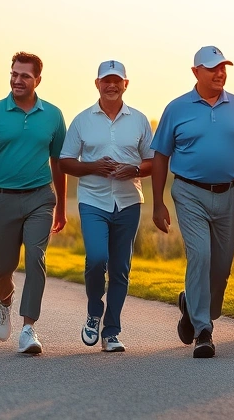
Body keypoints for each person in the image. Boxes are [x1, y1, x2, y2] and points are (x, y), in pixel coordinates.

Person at [151, 45, 234, 358]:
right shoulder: (177, 108)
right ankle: (204, 331)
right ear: (196, 72)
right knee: (200, 256)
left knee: (221, 268)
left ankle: (194, 306)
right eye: (212, 68)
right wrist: (158, 203)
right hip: (189, 192)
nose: (220, 73)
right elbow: (160, 157)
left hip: (229, 194)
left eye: (223, 67)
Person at [0, 51, 67, 355]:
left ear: (38, 79)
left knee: (36, 257)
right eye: (14, 74)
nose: (17, 80)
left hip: (40, 197)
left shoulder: (52, 115)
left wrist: (61, 205)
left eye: (24, 75)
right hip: (1, 199)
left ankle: (28, 329)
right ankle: (5, 299)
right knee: (4, 267)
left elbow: (59, 163)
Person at [59, 60, 154, 353]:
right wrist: (92, 167)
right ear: (97, 83)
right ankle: (93, 312)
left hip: (128, 202)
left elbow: (153, 161)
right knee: (97, 258)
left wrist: (135, 170)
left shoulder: (139, 120)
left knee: (120, 268)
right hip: (93, 201)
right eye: (106, 80)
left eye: (117, 81)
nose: (111, 85)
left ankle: (111, 331)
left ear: (126, 83)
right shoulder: (82, 120)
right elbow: (64, 162)